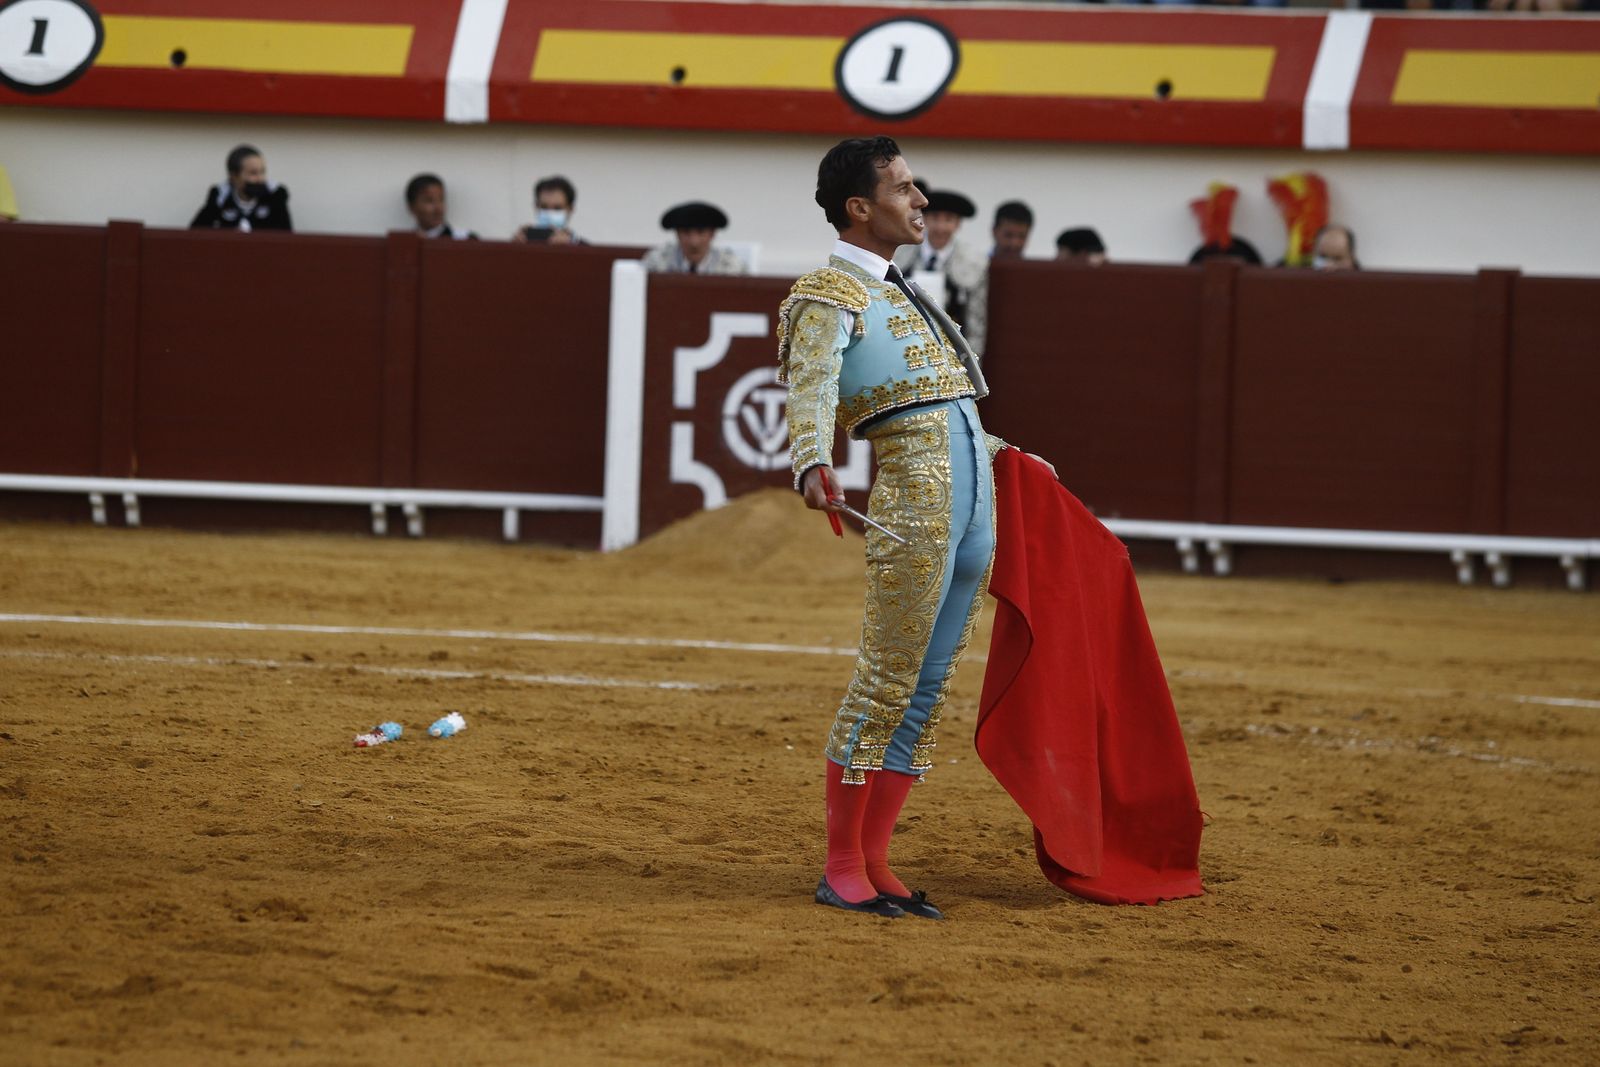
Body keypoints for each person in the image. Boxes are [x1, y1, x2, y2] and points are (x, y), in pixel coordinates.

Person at [778, 136, 1051, 920]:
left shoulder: (903, 290)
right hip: (915, 505)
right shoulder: (829, 291)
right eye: (902, 187)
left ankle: (875, 859)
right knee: (887, 677)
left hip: (970, 508)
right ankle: (840, 865)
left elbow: (949, 410)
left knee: (927, 689)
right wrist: (810, 459)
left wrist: (1012, 457)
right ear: (859, 207)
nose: (920, 198)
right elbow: (813, 383)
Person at [892, 187, 985, 326]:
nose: (941, 227)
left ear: (958, 224)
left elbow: (976, 315)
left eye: (948, 219)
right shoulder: (898, 252)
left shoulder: (973, 261)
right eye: (935, 218)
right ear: (924, 219)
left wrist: (972, 348)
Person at [963, 200, 1034, 358]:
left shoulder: (1031, 275)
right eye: (1008, 235)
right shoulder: (975, 268)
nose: (1014, 243)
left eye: (1021, 236)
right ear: (994, 231)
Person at [190, 144, 291, 232]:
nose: (260, 179)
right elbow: (195, 235)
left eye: (262, 172)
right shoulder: (219, 199)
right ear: (234, 177)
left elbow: (287, 238)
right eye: (253, 173)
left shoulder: (275, 197)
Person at [642, 201, 747, 275]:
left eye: (700, 233)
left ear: (712, 234)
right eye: (686, 233)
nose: (694, 242)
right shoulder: (657, 262)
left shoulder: (731, 267)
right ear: (677, 234)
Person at [513, 175, 582, 244]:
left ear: (570, 210)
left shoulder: (585, 249)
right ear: (536, 207)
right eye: (544, 207)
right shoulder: (524, 241)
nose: (550, 213)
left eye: (557, 208)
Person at [404, 174, 476, 240]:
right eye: (429, 201)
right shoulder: (404, 243)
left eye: (441, 200)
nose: (438, 209)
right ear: (412, 207)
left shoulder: (465, 239)